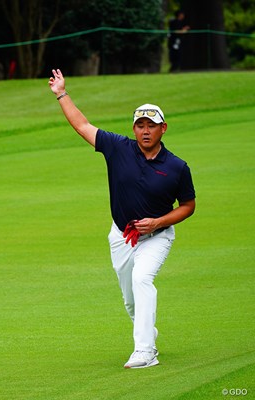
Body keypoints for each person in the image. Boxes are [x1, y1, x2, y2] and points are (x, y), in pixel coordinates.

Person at [48, 69, 196, 369]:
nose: (145, 130)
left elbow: (189, 206)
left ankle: (145, 352)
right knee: (130, 300)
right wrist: (62, 94)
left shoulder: (177, 167)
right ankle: (147, 332)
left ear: (163, 128)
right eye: (139, 125)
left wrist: (158, 222)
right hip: (121, 235)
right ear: (134, 128)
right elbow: (82, 125)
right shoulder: (119, 148)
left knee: (142, 279)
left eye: (151, 126)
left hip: (157, 237)